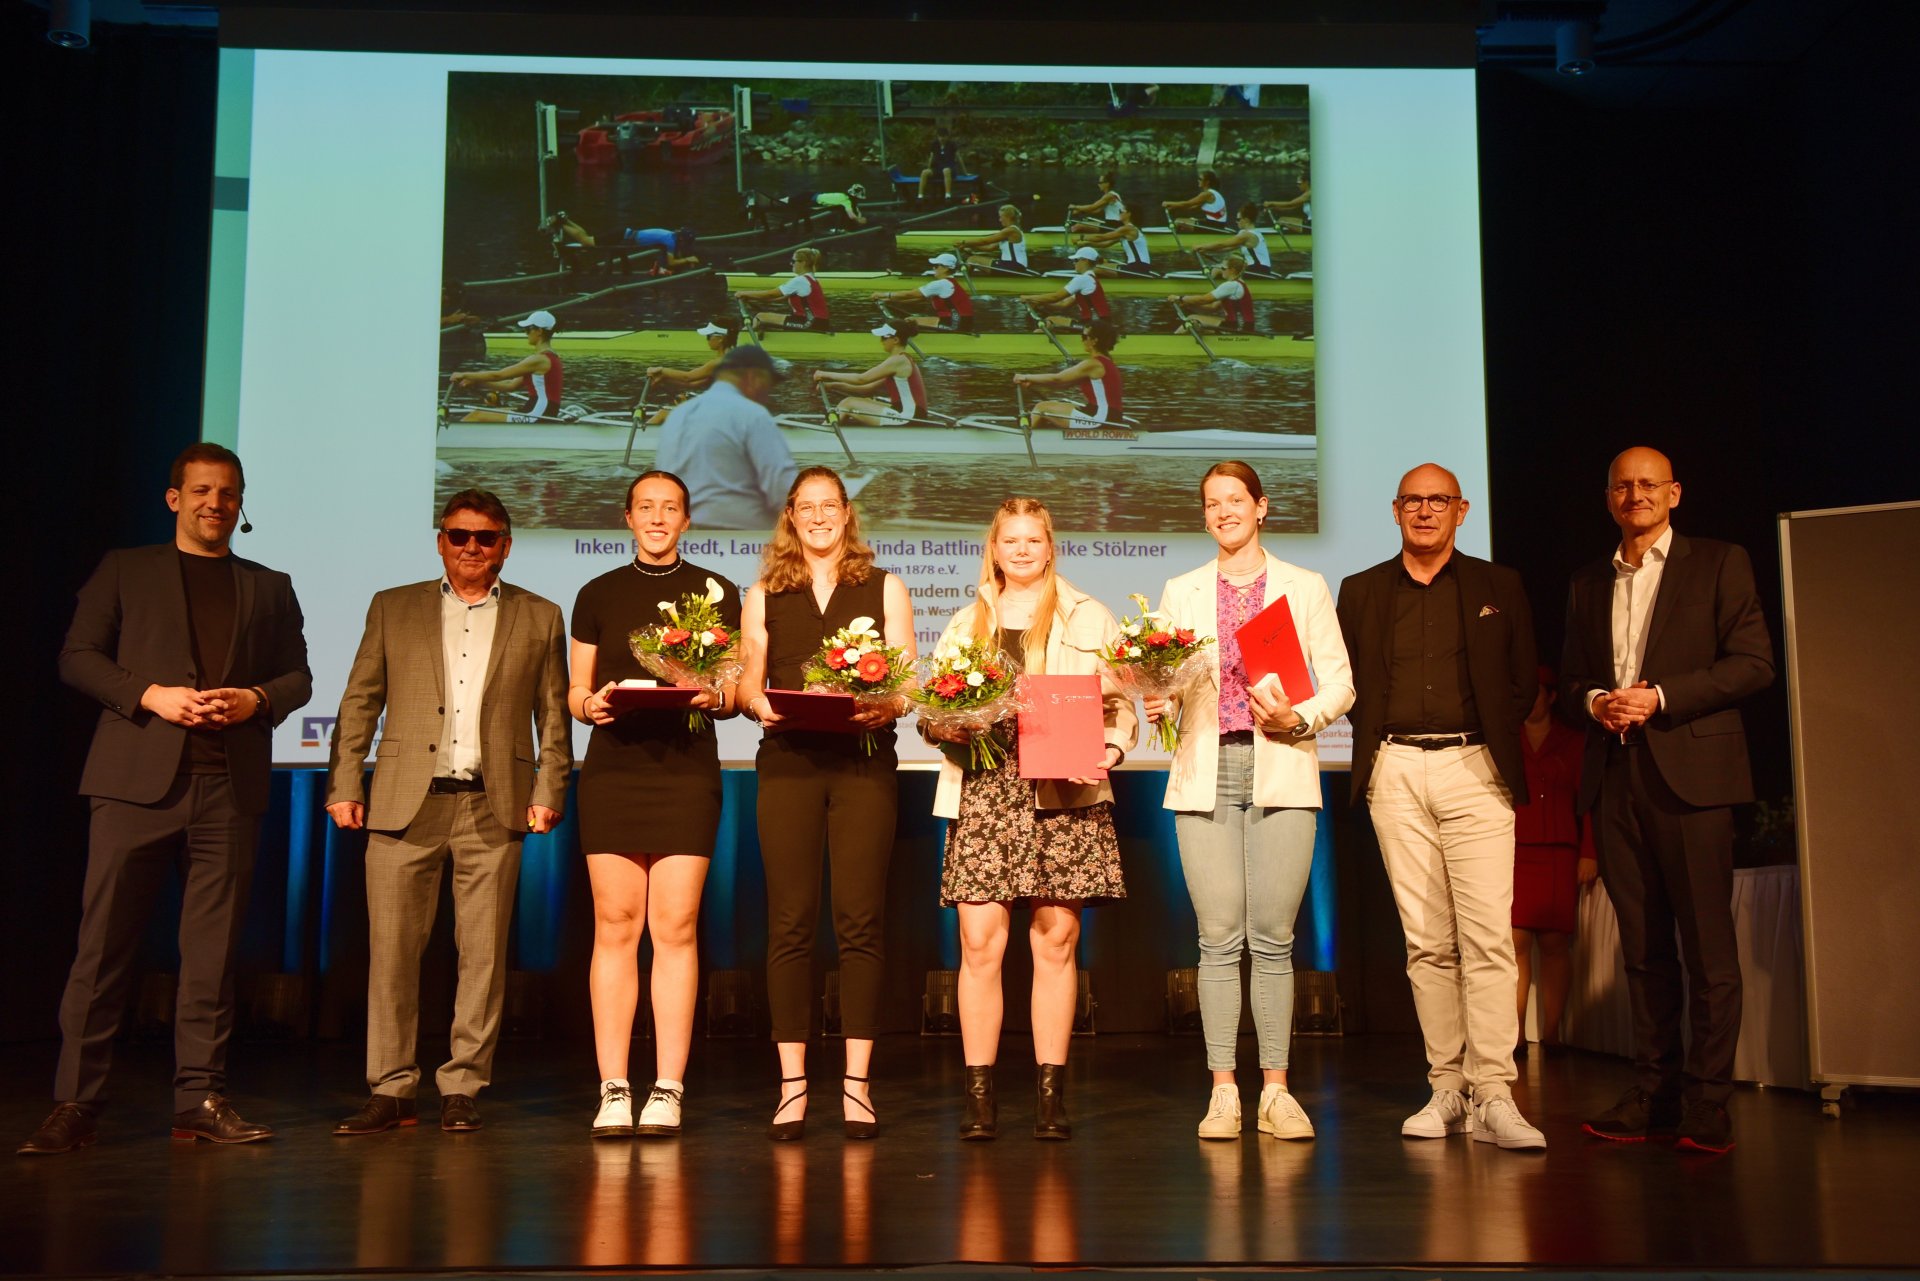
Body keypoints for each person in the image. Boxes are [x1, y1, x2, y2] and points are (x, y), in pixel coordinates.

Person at [20, 443, 312, 1155]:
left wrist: (255, 698)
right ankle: (75, 1101)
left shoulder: (269, 584)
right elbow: (77, 656)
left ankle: (200, 1099)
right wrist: (149, 694)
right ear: (175, 498)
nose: (217, 502)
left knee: (210, 957)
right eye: (203, 490)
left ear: (241, 504)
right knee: (103, 949)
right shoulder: (126, 568)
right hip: (132, 786)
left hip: (229, 787)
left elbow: (297, 676)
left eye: (230, 493)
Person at [325, 489, 571, 1137]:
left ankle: (462, 1084)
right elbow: (359, 703)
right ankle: (391, 1086)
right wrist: (345, 781)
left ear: (505, 546)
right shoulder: (393, 607)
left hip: (494, 803)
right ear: (440, 541)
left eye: (484, 538)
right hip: (405, 801)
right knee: (392, 951)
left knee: (483, 954)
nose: (470, 547)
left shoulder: (540, 615)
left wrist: (550, 789)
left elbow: (553, 713)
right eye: (458, 535)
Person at [1563, 446, 1774, 1154]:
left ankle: (1709, 1101)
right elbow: (1569, 682)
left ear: (1675, 493)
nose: (1636, 494)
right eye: (1622, 484)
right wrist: (1597, 701)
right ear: (1608, 496)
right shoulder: (1590, 581)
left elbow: (1753, 663)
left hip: (1693, 778)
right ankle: (1656, 1091)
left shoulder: (1719, 562)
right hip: (1617, 777)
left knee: (1708, 950)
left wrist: (1661, 696)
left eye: (1649, 484)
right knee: (1643, 951)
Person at [1334, 462, 1547, 1151]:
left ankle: (1494, 1091)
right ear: (1395, 510)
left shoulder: (1498, 585)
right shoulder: (1361, 590)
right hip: (1394, 767)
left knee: (1487, 937)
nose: (1426, 511)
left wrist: (1480, 747)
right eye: (1414, 501)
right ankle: (1446, 1087)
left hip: (1473, 764)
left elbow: (1520, 682)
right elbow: (1347, 681)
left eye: (1439, 501)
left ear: (1462, 510)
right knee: (1427, 944)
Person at [1143, 463, 1354, 1141]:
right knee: (1216, 938)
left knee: (1272, 938)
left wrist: (1302, 718)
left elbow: (1341, 683)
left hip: (1281, 766)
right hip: (1207, 767)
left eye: (1236, 500)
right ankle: (1223, 1090)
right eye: (1212, 503)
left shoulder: (1305, 585)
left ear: (1262, 507)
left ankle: (1277, 1089)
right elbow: (1169, 686)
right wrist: (1160, 699)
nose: (1224, 511)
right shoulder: (1182, 590)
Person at [925, 498, 1136, 1141]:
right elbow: (934, 713)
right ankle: (980, 1096)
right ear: (994, 549)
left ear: (1050, 548)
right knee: (981, 946)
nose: (1021, 551)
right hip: (986, 793)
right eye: (1009, 541)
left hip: (1063, 793)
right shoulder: (966, 622)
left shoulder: (1088, 615)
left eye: (1032, 541)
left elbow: (1123, 702)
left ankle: (1051, 1096)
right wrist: (947, 721)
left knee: (1055, 942)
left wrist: (1110, 750)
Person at [736, 467, 917, 1141]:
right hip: (787, 766)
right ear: (790, 516)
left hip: (864, 766)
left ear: (846, 514)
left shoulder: (884, 585)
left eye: (829, 506)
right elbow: (752, 675)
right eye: (805, 507)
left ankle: (857, 1085)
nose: (818, 517)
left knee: (861, 922)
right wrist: (757, 702)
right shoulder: (765, 592)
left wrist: (886, 703)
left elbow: (905, 677)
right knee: (789, 924)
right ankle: (792, 1086)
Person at [570, 471, 743, 1139]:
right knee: (615, 926)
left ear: (687, 520)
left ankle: (668, 1086)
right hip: (614, 771)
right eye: (646, 507)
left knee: (674, 927)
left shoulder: (716, 592)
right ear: (628, 517)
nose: (657, 517)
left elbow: (731, 688)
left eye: (670, 508)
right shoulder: (597, 591)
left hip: (685, 770)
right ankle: (614, 1086)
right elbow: (575, 692)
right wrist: (591, 704)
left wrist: (713, 694)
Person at [1511, 665, 1597, 1060]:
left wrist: (1589, 851)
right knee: (1515, 943)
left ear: (1551, 696)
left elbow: (1588, 803)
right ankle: (1513, 1037)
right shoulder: (1508, 740)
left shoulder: (1573, 742)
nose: (1530, 701)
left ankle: (1553, 1034)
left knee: (1555, 943)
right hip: (1515, 848)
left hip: (1560, 849)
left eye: (1537, 692)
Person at [654, 345, 798, 532]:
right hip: (739, 540)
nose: (768, 394)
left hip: (678, 538)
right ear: (754, 377)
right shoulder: (753, 414)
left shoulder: (677, 415)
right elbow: (782, 490)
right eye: (769, 384)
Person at [1013, 318, 1124, 432]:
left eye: (1084, 337)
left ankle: (1023, 438)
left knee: (1042, 407)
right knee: (1059, 404)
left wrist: (1025, 376)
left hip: (1100, 419)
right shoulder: (1107, 362)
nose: (1082, 341)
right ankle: (1036, 431)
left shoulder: (1093, 364)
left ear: (1094, 340)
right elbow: (1063, 385)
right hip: (1109, 416)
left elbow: (1058, 378)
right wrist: (1034, 383)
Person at [453, 311, 564, 423]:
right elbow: (510, 385)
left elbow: (498, 375)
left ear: (539, 331)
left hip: (539, 413)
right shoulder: (549, 358)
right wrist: (476, 382)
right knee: (479, 412)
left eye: (528, 329)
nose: (526, 333)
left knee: (476, 416)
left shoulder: (539, 359)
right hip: (539, 410)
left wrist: (464, 374)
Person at [812, 323, 931, 426]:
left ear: (895, 340)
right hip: (909, 414)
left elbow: (861, 379)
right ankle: (831, 427)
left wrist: (825, 374)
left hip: (908, 418)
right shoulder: (900, 361)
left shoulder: (898, 361)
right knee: (866, 400)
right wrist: (832, 386)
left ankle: (822, 434)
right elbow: (865, 389)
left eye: (884, 337)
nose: (881, 341)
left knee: (848, 403)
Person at [643, 321, 738, 425]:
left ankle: (640, 438)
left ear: (721, 339)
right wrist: (663, 379)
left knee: (663, 414)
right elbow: (691, 384)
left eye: (708, 336)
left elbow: (687, 377)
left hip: (723, 417)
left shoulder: (720, 362)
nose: (707, 340)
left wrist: (661, 370)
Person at [872, 254, 974, 333]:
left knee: (907, 322)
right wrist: (889, 300)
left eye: (936, 266)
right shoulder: (949, 283)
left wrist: (883, 294)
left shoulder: (942, 284)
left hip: (955, 324)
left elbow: (910, 294)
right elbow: (918, 299)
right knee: (911, 319)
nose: (933, 268)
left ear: (946, 268)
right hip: (959, 321)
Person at [739, 248, 831, 334]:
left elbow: (770, 294)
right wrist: (751, 298)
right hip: (820, 323)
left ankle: (740, 340)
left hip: (809, 323)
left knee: (760, 317)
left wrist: (742, 293)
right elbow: (778, 298)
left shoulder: (800, 280)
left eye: (793, 261)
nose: (791, 264)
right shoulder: (811, 279)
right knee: (767, 318)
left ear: (803, 263)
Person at [1029, 247, 1111, 332]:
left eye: (1076, 260)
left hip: (1095, 327)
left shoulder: (1083, 279)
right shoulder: (1090, 279)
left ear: (1085, 260)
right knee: (1051, 320)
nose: (1073, 263)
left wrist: (1028, 298)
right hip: (1094, 324)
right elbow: (1062, 304)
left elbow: (1056, 297)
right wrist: (1041, 303)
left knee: (1042, 328)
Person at [1170, 256, 1255, 332]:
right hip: (1240, 325)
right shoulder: (1238, 283)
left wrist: (1180, 298)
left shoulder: (1232, 285)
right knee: (1195, 321)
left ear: (1232, 270)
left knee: (1191, 319)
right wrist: (1187, 304)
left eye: (1223, 268)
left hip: (1239, 327)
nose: (1221, 270)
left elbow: (1204, 299)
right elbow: (1212, 307)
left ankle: (1171, 343)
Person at [1189, 204, 1274, 276]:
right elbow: (1226, 248)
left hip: (1258, 270)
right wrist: (1205, 250)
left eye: (1238, 219)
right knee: (1224, 265)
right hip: (1258, 269)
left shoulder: (1247, 235)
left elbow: (1223, 244)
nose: (1236, 222)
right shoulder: (1249, 233)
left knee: (1218, 270)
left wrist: (1200, 246)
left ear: (1246, 220)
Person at [1072, 205, 1154, 276]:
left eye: (1122, 211)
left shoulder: (1128, 229)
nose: (1119, 213)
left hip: (1137, 268)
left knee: (1096, 268)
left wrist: (1081, 237)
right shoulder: (1127, 231)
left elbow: (1102, 237)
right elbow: (1105, 244)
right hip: (1138, 267)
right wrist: (1086, 244)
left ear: (1129, 214)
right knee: (1101, 265)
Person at [954, 205, 1031, 274]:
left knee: (973, 259)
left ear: (1008, 217)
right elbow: (989, 247)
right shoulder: (1013, 232)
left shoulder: (1011, 231)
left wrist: (964, 242)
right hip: (1014, 266)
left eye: (1001, 217)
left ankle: (961, 280)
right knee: (979, 265)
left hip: (1013, 266)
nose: (999, 220)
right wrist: (969, 246)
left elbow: (985, 241)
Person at [1164, 170, 1230, 232]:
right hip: (1217, 224)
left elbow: (1187, 204)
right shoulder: (1212, 193)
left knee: (1178, 222)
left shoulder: (1207, 194)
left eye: (1200, 179)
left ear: (1207, 182)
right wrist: (1173, 208)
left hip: (1214, 225)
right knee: (1187, 220)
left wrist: (1168, 203)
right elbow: (1191, 207)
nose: (1198, 181)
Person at [920, 130, 964, 200]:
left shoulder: (952, 144)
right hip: (938, 169)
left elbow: (959, 158)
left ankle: (947, 195)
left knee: (945, 170)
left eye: (943, 137)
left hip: (950, 169)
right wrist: (928, 168)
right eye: (940, 137)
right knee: (924, 172)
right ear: (938, 137)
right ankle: (920, 196)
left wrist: (965, 172)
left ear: (947, 137)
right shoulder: (934, 144)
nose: (942, 139)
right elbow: (931, 157)